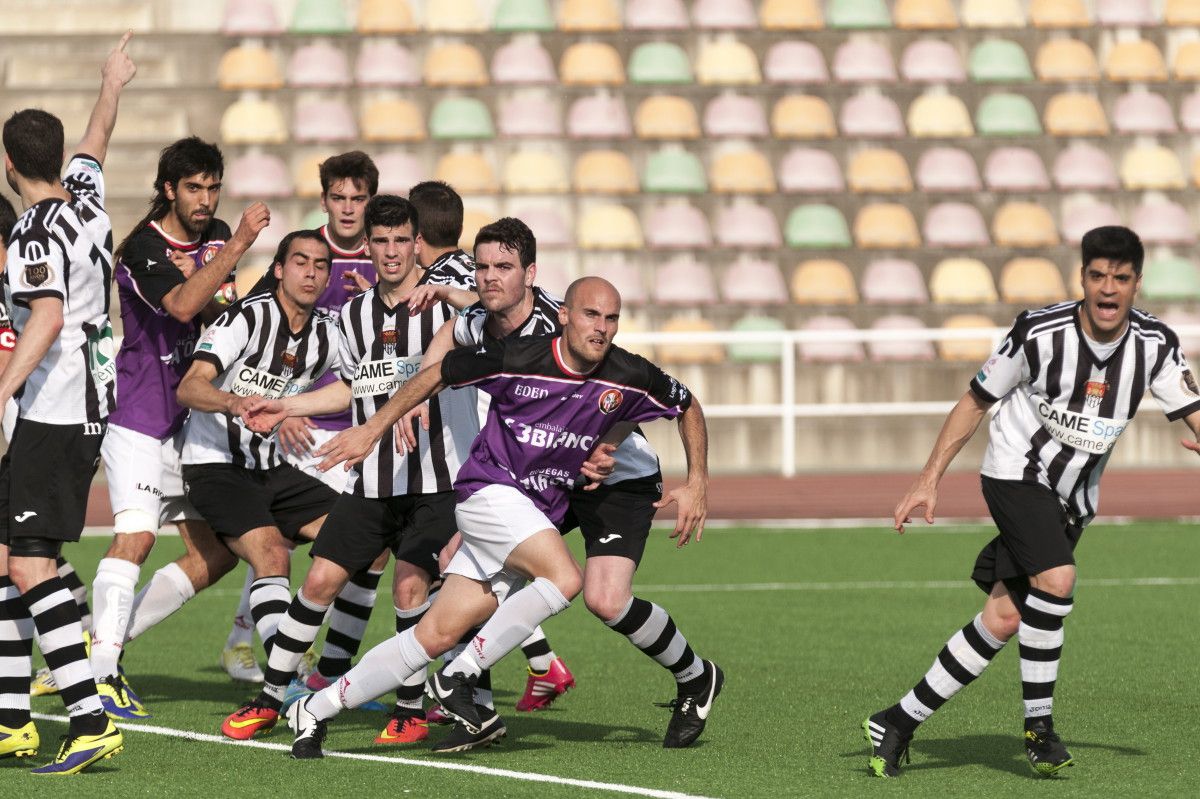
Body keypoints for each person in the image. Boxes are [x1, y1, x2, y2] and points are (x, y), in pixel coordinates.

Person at [260, 275, 712, 759]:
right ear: (563, 314)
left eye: (610, 318)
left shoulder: (626, 372)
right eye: (589, 314)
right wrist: (373, 427)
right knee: (563, 579)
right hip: (489, 492)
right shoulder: (516, 356)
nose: (600, 327)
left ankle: (315, 708)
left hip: (550, 501)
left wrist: (697, 482)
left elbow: (684, 403)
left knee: (433, 634)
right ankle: (459, 678)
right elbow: (438, 372)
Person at [864, 226, 1200, 778]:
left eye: (1120, 277)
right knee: (1058, 579)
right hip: (1016, 471)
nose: (1107, 289)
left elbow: (1192, 407)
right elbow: (974, 401)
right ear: (1083, 278)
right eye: (1097, 275)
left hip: (1073, 497)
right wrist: (929, 477)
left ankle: (898, 721)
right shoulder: (1039, 333)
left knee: (1002, 617)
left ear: (1137, 283)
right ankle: (1039, 728)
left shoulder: (1155, 345)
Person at [401, 218, 719, 749]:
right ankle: (477, 705)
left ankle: (696, 675)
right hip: (552, 475)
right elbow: (451, 337)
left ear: (529, 276)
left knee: (604, 599)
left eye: (502, 268)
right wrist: (412, 399)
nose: (488, 279)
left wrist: (694, 480)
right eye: (482, 269)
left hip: (618, 480)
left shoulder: (562, 324)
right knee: (473, 565)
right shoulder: (481, 321)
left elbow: (625, 393)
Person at [220, 194, 480, 744]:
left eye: (400, 240)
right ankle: (270, 697)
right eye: (380, 242)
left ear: (417, 244)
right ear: (367, 247)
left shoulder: (444, 308)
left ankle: (409, 709)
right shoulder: (354, 316)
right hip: (375, 479)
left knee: (410, 590)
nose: (390, 252)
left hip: (436, 483)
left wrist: (414, 409)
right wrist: (287, 405)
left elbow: (458, 369)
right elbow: (351, 385)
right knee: (318, 580)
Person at [84, 137, 270, 717]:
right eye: (194, 187)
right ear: (169, 188)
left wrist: (218, 270)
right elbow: (186, 305)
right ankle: (100, 675)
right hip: (141, 418)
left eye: (212, 187)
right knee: (136, 538)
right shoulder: (141, 245)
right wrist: (235, 247)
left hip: (194, 426)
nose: (204, 198)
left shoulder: (213, 237)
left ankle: (95, 645)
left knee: (216, 555)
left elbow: (224, 309)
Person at [0, 33, 135, 774]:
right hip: (88, 401)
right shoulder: (86, 201)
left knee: (28, 566)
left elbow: (45, 315)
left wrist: (1, 388)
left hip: (54, 409)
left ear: (9, 164)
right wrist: (112, 82)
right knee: (15, 559)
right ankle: (15, 715)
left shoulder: (28, 233)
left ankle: (88, 716)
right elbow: (99, 137)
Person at [175, 230, 340, 717]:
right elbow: (189, 387)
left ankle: (328, 669)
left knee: (358, 535)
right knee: (271, 554)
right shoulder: (247, 317)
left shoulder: (328, 332)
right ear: (279, 270)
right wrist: (233, 402)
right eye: (300, 262)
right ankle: (284, 682)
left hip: (270, 467)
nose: (310, 272)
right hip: (215, 465)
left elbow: (363, 379)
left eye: (320, 265)